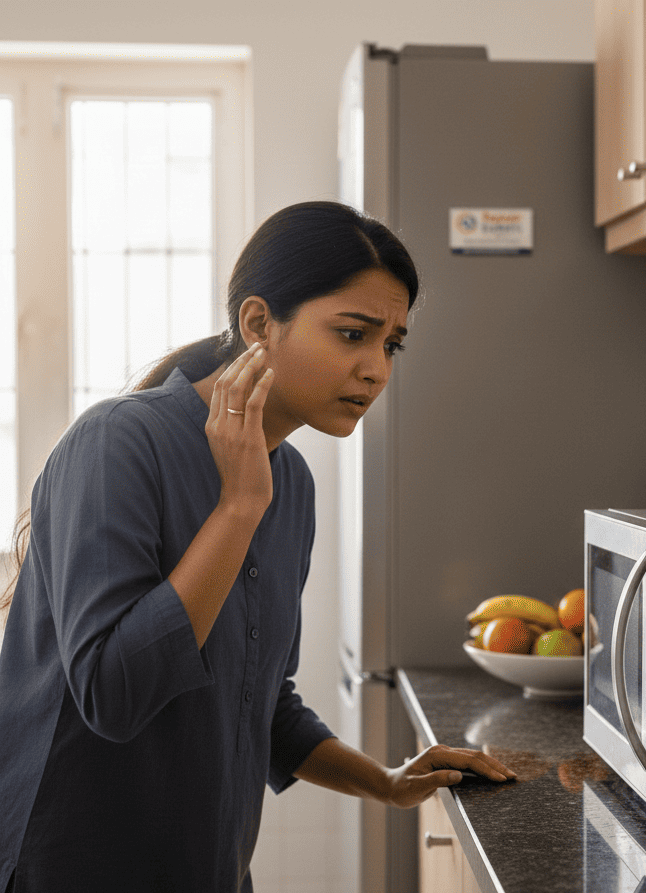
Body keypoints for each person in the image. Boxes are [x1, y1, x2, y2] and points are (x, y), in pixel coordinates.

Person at [0, 200, 513, 893]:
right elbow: (114, 694)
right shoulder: (116, 444)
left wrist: (388, 782)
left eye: (390, 343)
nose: (376, 369)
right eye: (352, 333)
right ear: (257, 323)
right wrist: (239, 508)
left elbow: (259, 701)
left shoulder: (288, 482)